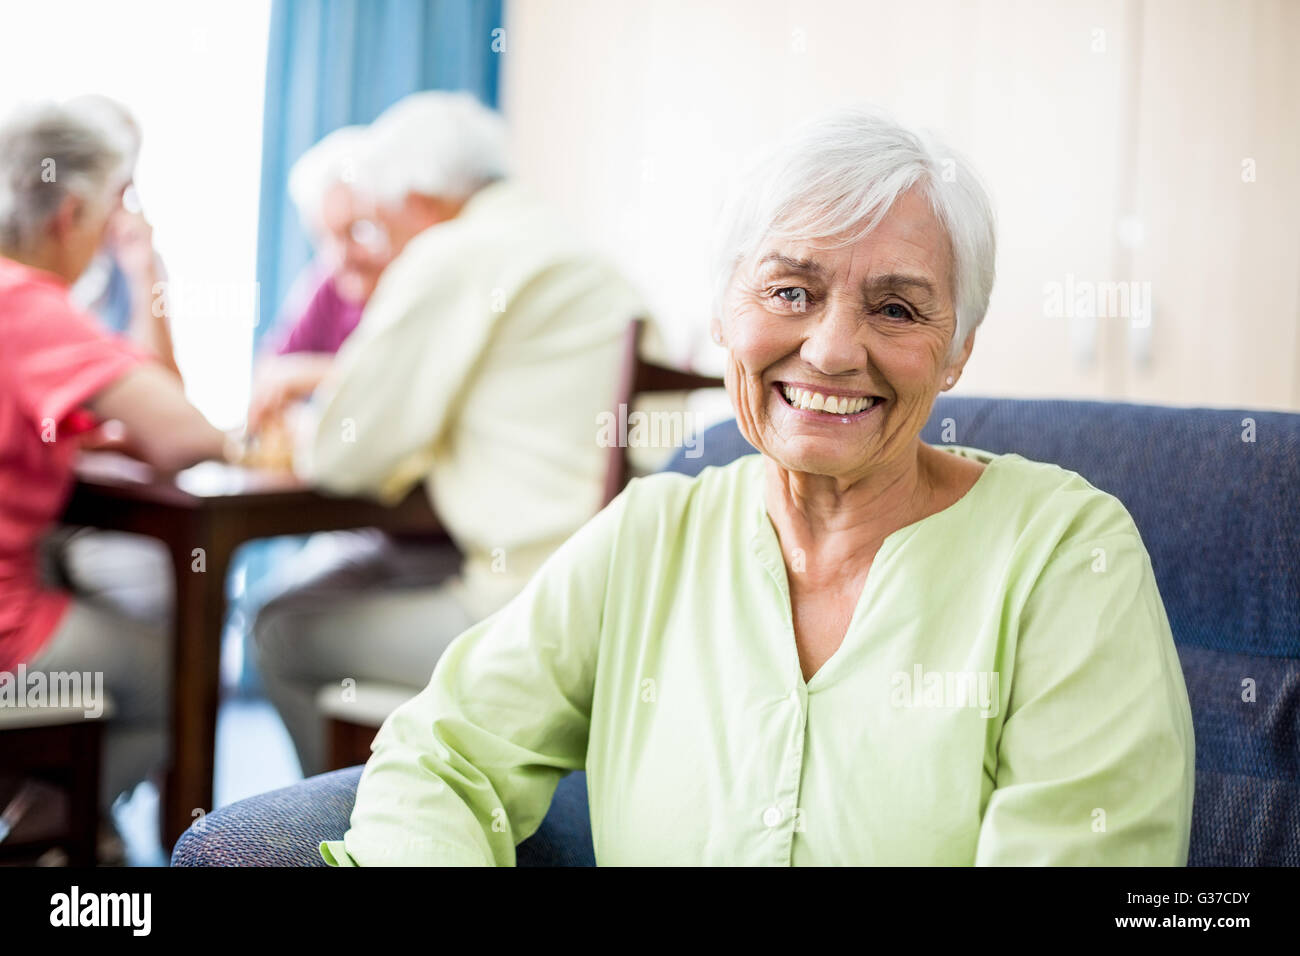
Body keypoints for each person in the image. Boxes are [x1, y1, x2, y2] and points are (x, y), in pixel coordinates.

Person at [320, 106, 1196, 866]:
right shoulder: (654, 531)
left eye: (896, 309)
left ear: (958, 347)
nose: (831, 349)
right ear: (722, 313)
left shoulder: (1065, 554)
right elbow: (444, 754)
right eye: (790, 290)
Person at [252, 91, 649, 778]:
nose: (382, 246)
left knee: (278, 626)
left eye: (379, 224)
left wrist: (309, 424)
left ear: (420, 201)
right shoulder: (578, 253)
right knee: (359, 573)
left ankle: (330, 833)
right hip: (619, 601)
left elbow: (343, 459)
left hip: (522, 617)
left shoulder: (450, 254)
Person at [0, 103, 229, 831]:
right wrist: (145, 270)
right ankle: (45, 836)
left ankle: (51, 830)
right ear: (71, 213)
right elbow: (190, 436)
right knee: (182, 680)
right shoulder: (30, 308)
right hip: (10, 645)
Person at [248, 125, 394, 438]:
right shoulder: (328, 283)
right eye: (326, 238)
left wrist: (313, 373)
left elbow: (401, 381)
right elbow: (270, 372)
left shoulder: (416, 281)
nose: (342, 256)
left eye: (357, 232)